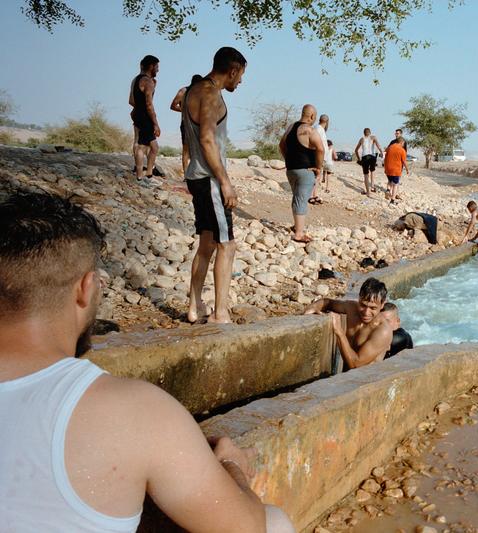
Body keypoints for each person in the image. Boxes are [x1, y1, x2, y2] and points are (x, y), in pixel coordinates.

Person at [0, 192, 294, 533]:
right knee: (275, 523)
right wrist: (232, 464)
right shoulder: (131, 410)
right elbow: (245, 528)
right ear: (85, 288)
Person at [183, 47, 247, 324]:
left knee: (207, 243)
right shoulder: (209, 94)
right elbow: (207, 140)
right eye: (241, 75)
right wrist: (225, 182)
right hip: (209, 178)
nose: (241, 82)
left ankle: (195, 305)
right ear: (232, 70)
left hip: (196, 175)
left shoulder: (192, 90)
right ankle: (221, 313)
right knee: (227, 245)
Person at [303, 278, 393, 370]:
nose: (366, 312)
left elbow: (355, 364)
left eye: (373, 308)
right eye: (363, 305)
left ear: (382, 305)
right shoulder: (351, 308)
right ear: (359, 298)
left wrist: (339, 332)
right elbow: (328, 302)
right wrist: (313, 307)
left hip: (366, 381)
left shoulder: (383, 331)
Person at [279, 105, 326, 244]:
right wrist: (318, 167)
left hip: (291, 170)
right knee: (301, 200)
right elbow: (321, 149)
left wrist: (288, 159)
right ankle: (299, 234)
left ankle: (296, 226)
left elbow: (281, 145)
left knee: (297, 197)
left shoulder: (291, 127)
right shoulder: (310, 130)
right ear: (312, 116)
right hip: (305, 171)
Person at [129, 55, 160, 184]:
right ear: (151, 66)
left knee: (151, 146)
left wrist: (138, 110)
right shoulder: (148, 82)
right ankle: (141, 176)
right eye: (157, 67)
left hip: (137, 114)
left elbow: (131, 101)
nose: (158, 70)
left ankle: (148, 174)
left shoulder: (135, 80)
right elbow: (149, 104)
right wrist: (155, 123)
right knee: (144, 147)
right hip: (145, 116)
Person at [170, 74, 204, 175]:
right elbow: (173, 106)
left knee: (199, 149)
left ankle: (195, 173)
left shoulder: (201, 93)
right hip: (186, 123)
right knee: (186, 149)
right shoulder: (183, 91)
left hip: (199, 124)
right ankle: (186, 174)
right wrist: (185, 111)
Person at [308, 114, 331, 205]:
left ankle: (314, 194)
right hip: (318, 155)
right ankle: (311, 196)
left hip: (318, 155)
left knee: (317, 176)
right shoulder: (319, 129)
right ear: (327, 122)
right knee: (317, 176)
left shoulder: (317, 128)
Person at [354, 128, 384, 196]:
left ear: (364, 133)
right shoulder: (373, 137)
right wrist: (381, 152)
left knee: (366, 174)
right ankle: (372, 187)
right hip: (372, 156)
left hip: (365, 157)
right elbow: (378, 146)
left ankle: (368, 192)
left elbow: (356, 150)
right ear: (370, 132)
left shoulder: (361, 139)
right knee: (372, 171)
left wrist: (359, 159)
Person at [384, 136, 409, 204]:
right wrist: (407, 169)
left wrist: (385, 167)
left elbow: (385, 157)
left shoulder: (389, 147)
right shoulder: (402, 150)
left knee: (390, 181)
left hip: (388, 168)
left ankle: (388, 190)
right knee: (395, 184)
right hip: (396, 170)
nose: (403, 145)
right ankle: (392, 200)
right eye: (403, 143)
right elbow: (404, 161)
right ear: (401, 142)